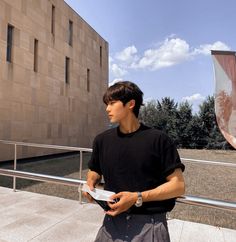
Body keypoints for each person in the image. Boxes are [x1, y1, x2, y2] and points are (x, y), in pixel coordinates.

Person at [83, 81, 185, 242]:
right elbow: (94, 169)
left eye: (112, 103)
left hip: (150, 226)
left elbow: (177, 186)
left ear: (130, 104)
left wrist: (137, 197)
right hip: (110, 224)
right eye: (106, 104)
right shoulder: (102, 140)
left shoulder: (159, 140)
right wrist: (90, 182)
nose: (107, 109)